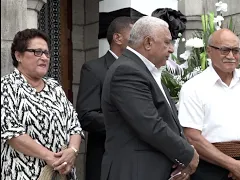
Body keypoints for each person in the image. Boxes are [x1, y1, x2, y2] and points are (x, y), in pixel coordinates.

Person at [100, 16, 199, 180]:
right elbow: (150, 124)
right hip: (134, 171)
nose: (172, 49)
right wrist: (188, 154)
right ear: (148, 43)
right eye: (167, 42)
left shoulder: (146, 71)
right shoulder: (126, 71)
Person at [178, 29, 240, 180]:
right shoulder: (193, 87)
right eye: (224, 50)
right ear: (209, 51)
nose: (231, 56)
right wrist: (233, 165)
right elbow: (192, 137)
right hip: (211, 169)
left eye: (236, 50)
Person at [1, 28, 84, 180]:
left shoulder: (55, 87)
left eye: (46, 53)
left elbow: (74, 125)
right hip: (24, 173)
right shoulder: (6, 87)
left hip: (62, 173)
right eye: (37, 52)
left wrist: (72, 150)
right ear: (18, 55)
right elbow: (12, 133)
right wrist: (51, 157)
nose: (44, 57)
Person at [76, 16, 134, 180]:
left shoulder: (142, 71)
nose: (140, 39)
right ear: (118, 38)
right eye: (134, 34)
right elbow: (86, 116)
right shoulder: (94, 69)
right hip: (106, 160)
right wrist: (128, 123)